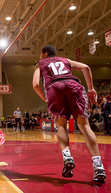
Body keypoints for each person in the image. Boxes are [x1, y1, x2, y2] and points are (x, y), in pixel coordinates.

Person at [32, 45, 106, 183]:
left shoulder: (40, 64)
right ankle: (98, 167)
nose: (39, 57)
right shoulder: (65, 59)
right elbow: (86, 67)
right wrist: (91, 89)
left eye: (40, 54)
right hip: (73, 85)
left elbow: (36, 85)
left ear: (45, 54)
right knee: (85, 126)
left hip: (54, 87)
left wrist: (47, 99)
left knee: (61, 125)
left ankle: (67, 157)